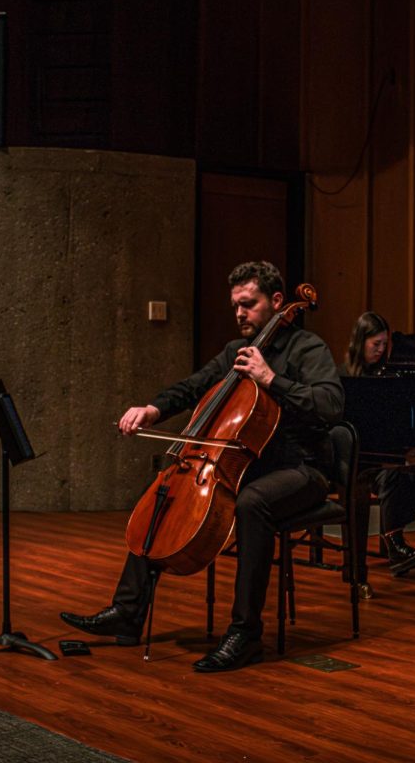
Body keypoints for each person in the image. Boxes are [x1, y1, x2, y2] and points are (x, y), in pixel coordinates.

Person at [60, 261, 344, 673]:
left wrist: (271, 380)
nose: (240, 314)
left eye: (249, 304)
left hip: (303, 469)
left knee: (251, 504)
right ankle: (128, 611)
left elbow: (331, 406)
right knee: (167, 490)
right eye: (235, 306)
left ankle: (245, 634)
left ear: (278, 301)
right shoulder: (235, 352)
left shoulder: (308, 349)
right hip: (249, 465)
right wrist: (153, 409)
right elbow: (194, 386)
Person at [344, 311, 415, 577]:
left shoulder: (389, 376)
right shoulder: (346, 377)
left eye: (385, 345)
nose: (382, 350)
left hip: (382, 454)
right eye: (376, 345)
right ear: (361, 343)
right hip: (358, 459)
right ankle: (394, 544)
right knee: (393, 473)